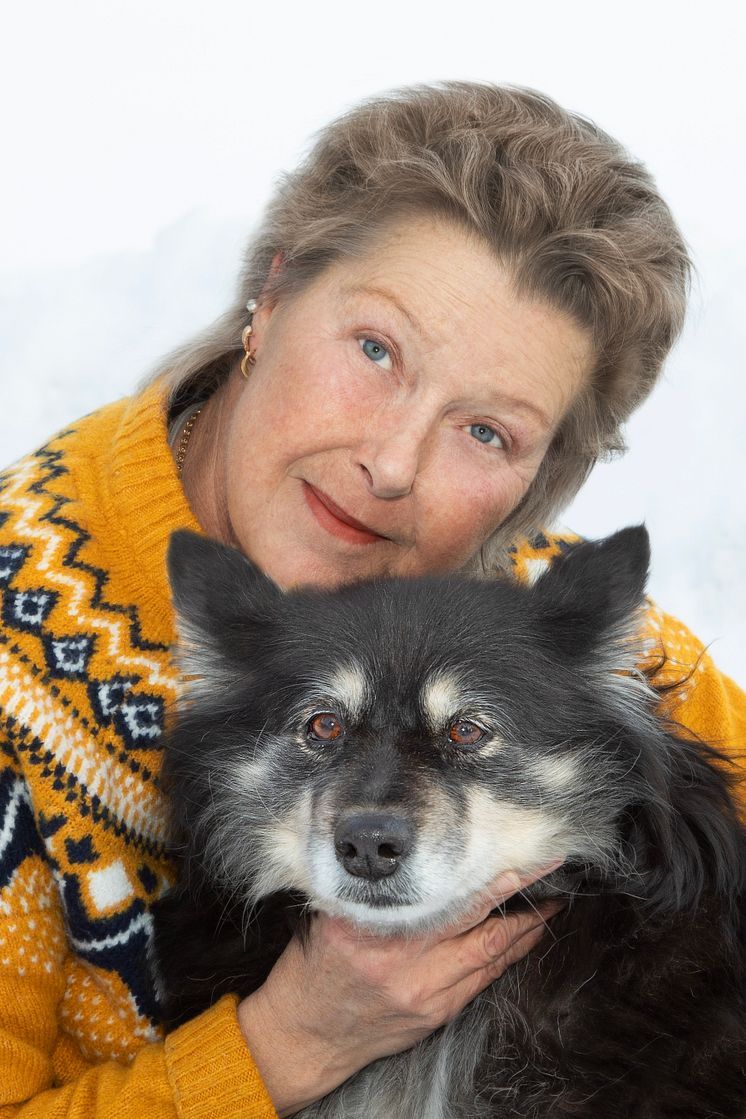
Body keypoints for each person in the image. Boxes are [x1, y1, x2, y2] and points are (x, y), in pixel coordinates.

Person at [0, 81, 744, 1119]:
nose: (391, 464)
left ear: (532, 486)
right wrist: (283, 1045)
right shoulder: (12, 668)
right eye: (375, 350)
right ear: (271, 296)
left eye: (486, 432)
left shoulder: (587, 645)